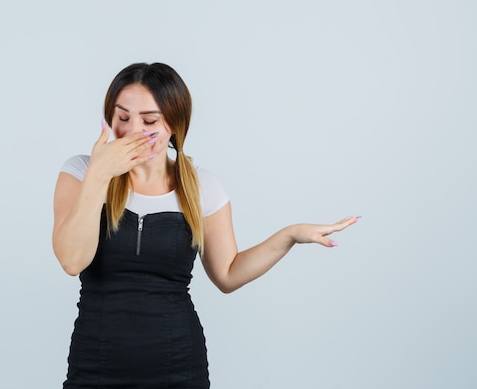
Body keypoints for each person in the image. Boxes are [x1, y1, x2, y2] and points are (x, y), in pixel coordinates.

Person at [52, 62, 359, 388]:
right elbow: (72, 260)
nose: (132, 131)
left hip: (178, 367)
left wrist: (290, 235)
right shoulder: (80, 173)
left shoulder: (203, 187)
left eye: (150, 120)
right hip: (95, 367)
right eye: (123, 117)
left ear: (174, 123)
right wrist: (100, 173)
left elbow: (227, 275)